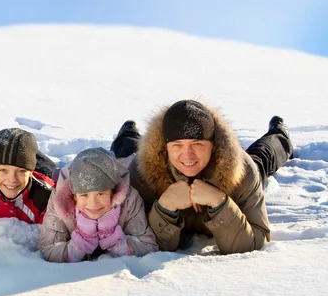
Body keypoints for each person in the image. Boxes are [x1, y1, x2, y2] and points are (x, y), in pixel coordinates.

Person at [111, 100, 293, 255]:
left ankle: (280, 135)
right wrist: (165, 207)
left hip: (232, 173)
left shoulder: (242, 171)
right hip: (151, 162)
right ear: (164, 147)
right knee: (131, 152)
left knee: (260, 159)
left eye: (197, 144)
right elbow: (141, 241)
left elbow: (257, 240)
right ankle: (128, 133)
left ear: (212, 145)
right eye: (177, 145)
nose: (188, 155)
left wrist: (220, 202)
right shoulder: (144, 171)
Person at [39, 147, 158, 262]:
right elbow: (49, 251)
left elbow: (148, 247)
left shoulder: (129, 198)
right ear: (74, 196)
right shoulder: (60, 200)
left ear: (113, 192)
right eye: (84, 195)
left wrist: (113, 240)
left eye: (101, 194)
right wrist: (81, 242)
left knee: (126, 145)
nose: (93, 203)